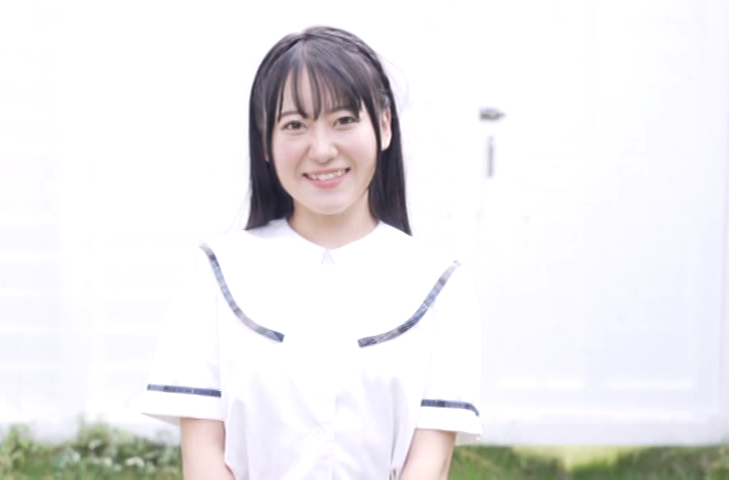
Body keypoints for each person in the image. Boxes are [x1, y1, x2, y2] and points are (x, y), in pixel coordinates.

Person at [137, 25, 482, 480]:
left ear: (384, 126)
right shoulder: (215, 274)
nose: (321, 150)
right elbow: (204, 457)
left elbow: (430, 463)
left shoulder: (438, 283)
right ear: (265, 141)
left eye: (344, 120)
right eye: (295, 126)